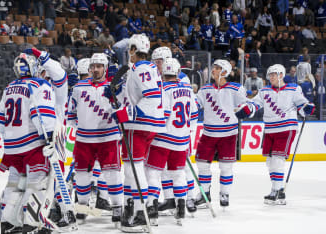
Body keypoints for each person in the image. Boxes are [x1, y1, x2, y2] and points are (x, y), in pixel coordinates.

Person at [105, 34, 166, 232]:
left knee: (134, 168)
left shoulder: (141, 68)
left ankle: (140, 212)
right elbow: (135, 94)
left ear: (133, 49)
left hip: (139, 125)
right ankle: (134, 208)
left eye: (129, 50)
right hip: (148, 125)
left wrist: (127, 113)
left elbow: (151, 96)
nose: (127, 54)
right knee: (135, 167)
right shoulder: (144, 68)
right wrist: (117, 91)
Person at [0, 53, 56, 234]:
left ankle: (7, 223)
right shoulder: (40, 85)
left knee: (15, 183)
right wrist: (49, 137)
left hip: (12, 147)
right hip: (32, 145)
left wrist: (10, 136)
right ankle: (31, 224)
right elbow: (41, 114)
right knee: (35, 185)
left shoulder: (9, 87)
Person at [67, 53, 123, 226]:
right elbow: (71, 115)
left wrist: (116, 99)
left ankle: (117, 207)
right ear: (90, 68)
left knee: (112, 174)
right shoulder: (78, 88)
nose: (96, 69)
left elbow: (122, 112)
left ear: (105, 69)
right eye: (94, 66)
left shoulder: (115, 87)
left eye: (100, 66)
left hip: (108, 137)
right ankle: (82, 208)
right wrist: (82, 126)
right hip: (84, 139)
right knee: (82, 176)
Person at [195, 59, 257, 208]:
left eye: (216, 68)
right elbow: (195, 105)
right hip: (208, 133)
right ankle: (205, 194)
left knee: (226, 166)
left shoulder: (236, 89)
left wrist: (248, 110)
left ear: (224, 72)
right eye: (213, 67)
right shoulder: (205, 89)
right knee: (202, 164)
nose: (213, 70)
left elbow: (248, 106)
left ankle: (224, 193)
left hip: (228, 134)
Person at [251, 64, 315, 205]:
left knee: (278, 160)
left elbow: (302, 105)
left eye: (274, 74)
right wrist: (247, 108)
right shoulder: (264, 90)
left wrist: (307, 108)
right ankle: (277, 190)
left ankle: (277, 191)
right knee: (270, 162)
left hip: (286, 128)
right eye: (270, 75)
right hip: (269, 129)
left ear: (281, 75)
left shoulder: (293, 89)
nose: (271, 77)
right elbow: (255, 103)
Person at [145, 57, 199, 225]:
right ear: (177, 73)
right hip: (182, 139)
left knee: (153, 172)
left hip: (163, 139)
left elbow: (165, 114)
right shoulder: (189, 90)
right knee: (178, 174)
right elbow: (195, 114)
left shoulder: (162, 89)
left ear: (162, 72)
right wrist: (186, 133)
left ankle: (152, 210)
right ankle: (180, 208)